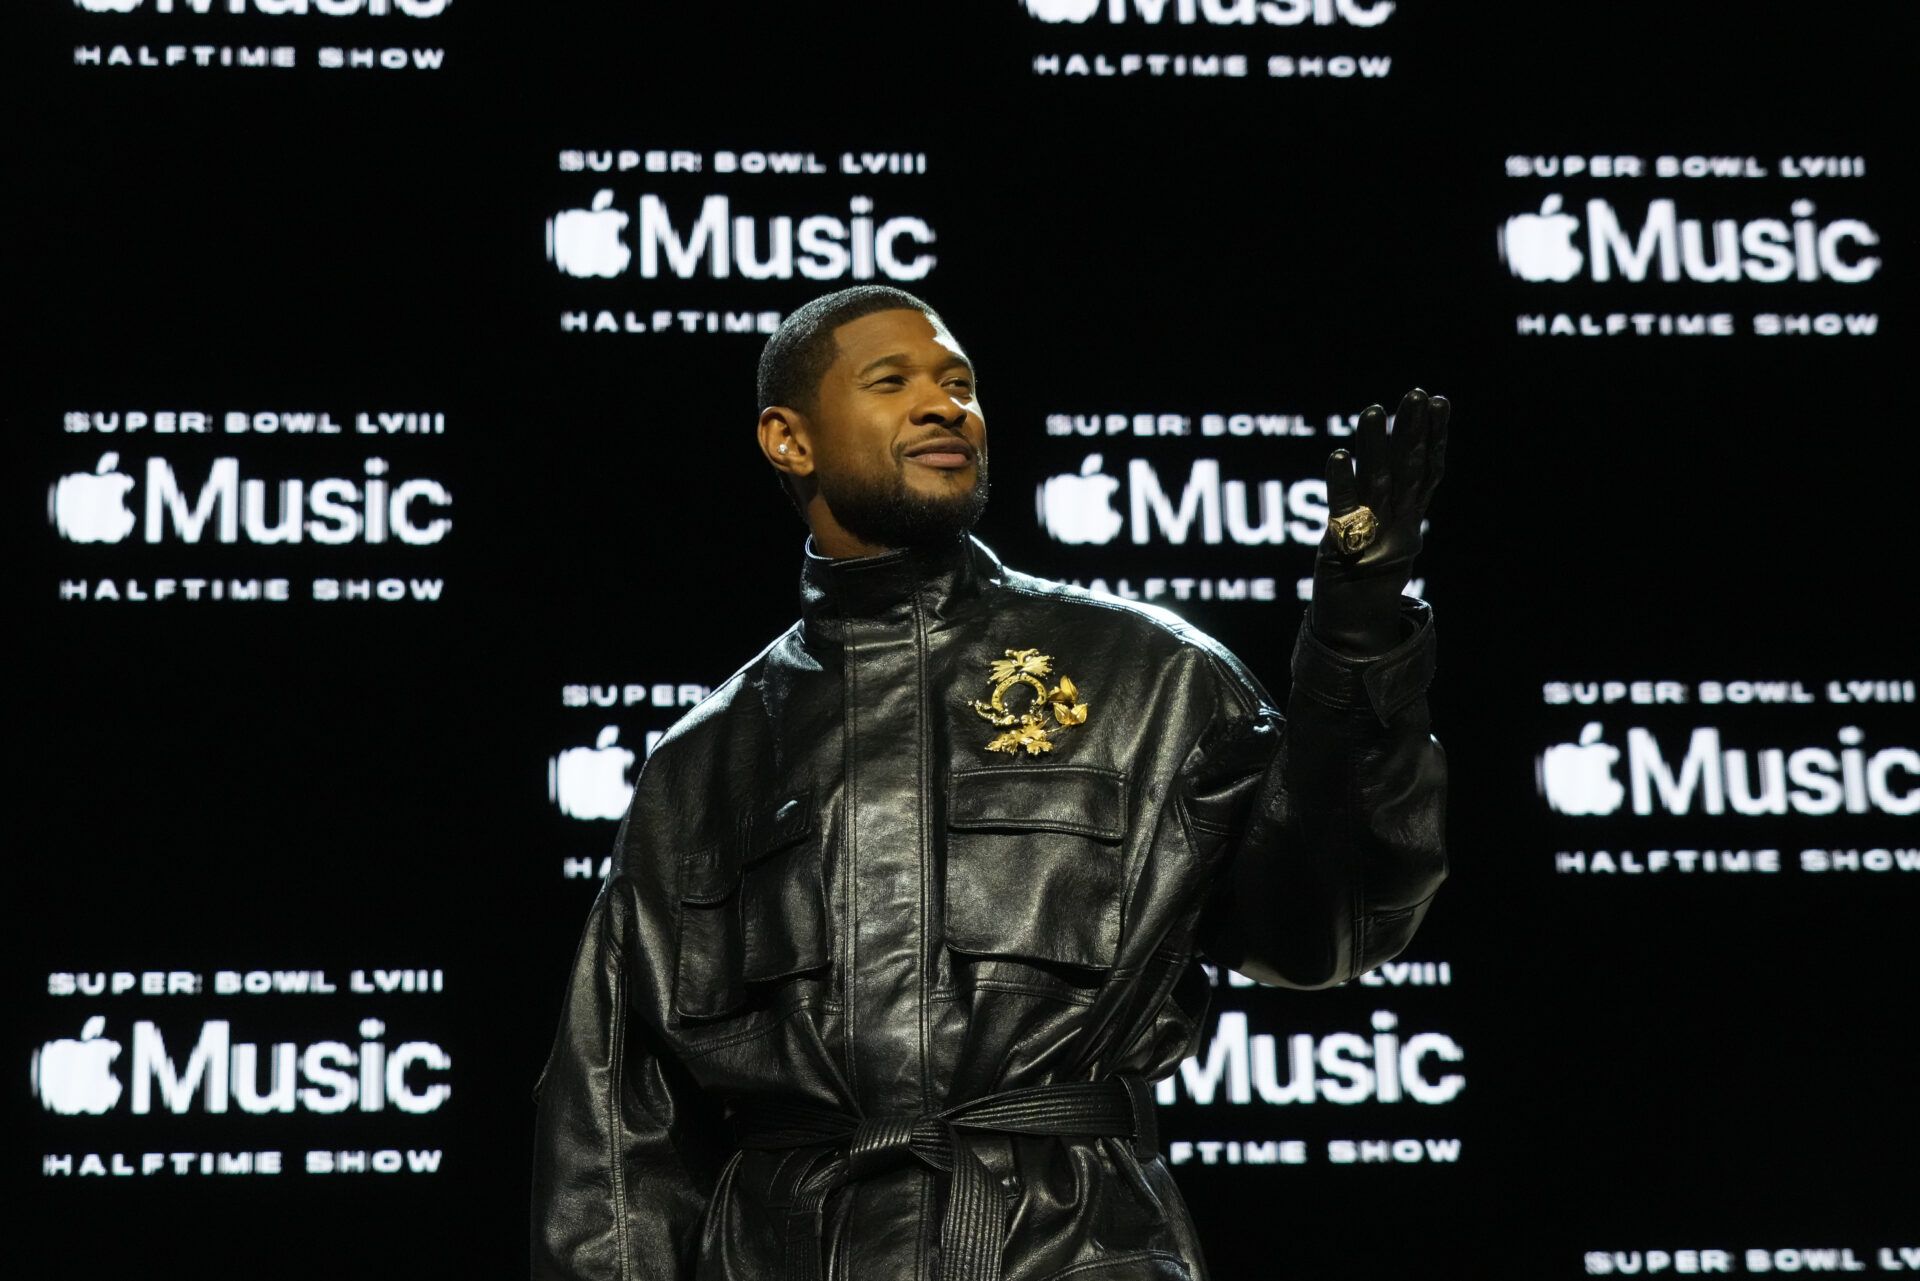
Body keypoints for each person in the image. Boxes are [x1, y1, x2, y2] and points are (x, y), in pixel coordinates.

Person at [531, 285, 1449, 1281]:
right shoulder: (703, 764)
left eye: (959, 384)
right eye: (893, 381)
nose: (944, 406)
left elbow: (1326, 927)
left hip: (1078, 1253)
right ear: (787, 440)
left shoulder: (1146, 674)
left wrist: (1353, 656)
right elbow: (616, 1127)